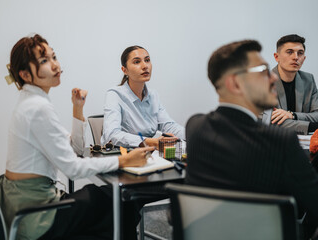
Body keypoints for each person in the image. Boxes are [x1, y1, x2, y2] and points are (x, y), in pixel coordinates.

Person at [0, 34, 154, 240]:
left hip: (28, 203)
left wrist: (77, 110)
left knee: (108, 200)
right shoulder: (37, 108)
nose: (55, 65)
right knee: (117, 202)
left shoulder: (32, 101)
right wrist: (124, 160)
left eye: (54, 57)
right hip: (37, 214)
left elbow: (75, 150)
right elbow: (72, 168)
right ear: (25, 74)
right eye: (44, 61)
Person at [185, 40, 318, 239]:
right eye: (263, 71)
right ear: (235, 83)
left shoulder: (194, 126)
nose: (272, 78)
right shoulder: (280, 141)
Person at [101, 45, 185, 148]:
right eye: (137, 62)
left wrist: (194, 135)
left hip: (149, 153)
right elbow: (111, 135)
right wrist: (151, 142)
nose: (145, 66)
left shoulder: (153, 95)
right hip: (123, 156)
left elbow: (168, 126)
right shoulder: (115, 95)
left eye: (147, 60)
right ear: (124, 70)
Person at [261, 34, 318, 134]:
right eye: (289, 52)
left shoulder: (308, 80)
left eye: (300, 53)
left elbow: (317, 115)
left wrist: (292, 115)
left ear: (304, 59)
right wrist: (310, 126)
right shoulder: (263, 81)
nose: (295, 57)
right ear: (276, 57)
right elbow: (268, 120)